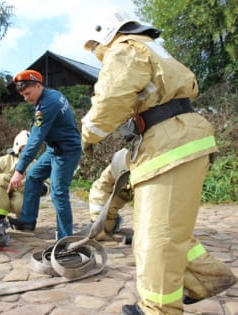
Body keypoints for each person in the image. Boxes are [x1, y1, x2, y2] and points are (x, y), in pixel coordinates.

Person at [82, 7, 236, 315]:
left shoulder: (124, 49)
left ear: (107, 35)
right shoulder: (150, 48)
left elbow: (111, 99)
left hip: (168, 143)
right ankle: (206, 278)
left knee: (157, 240)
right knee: (166, 229)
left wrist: (87, 134)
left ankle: (158, 310)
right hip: (173, 139)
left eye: (96, 46)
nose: (97, 53)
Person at [7, 70, 82, 239]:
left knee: (59, 193)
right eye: (23, 95)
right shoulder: (51, 95)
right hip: (54, 149)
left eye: (28, 93)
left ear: (38, 85)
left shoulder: (48, 104)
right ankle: (27, 221)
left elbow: (34, 140)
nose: (26, 98)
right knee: (33, 175)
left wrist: (18, 170)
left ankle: (65, 238)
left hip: (66, 152)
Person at [0, 130, 50, 224]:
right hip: (3, 195)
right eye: (24, 148)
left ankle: (23, 222)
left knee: (25, 201)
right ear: (17, 147)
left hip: (21, 198)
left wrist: (32, 186)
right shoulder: (2, 161)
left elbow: (47, 186)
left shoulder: (36, 165)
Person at [89, 148, 133, 241]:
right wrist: (97, 220)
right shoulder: (115, 168)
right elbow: (99, 192)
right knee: (100, 233)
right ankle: (102, 224)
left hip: (125, 192)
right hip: (105, 201)